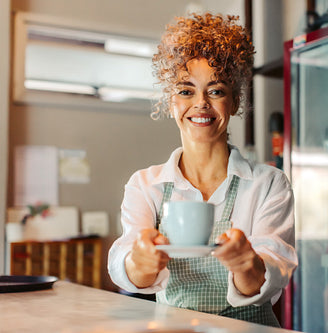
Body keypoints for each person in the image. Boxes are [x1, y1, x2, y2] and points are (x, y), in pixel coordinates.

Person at [107, 13, 297, 327]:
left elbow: (272, 273)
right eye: (186, 91)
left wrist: (246, 265)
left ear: (235, 100)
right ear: (170, 102)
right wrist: (139, 262)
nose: (201, 104)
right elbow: (126, 265)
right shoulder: (145, 185)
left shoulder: (269, 184)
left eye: (216, 90)